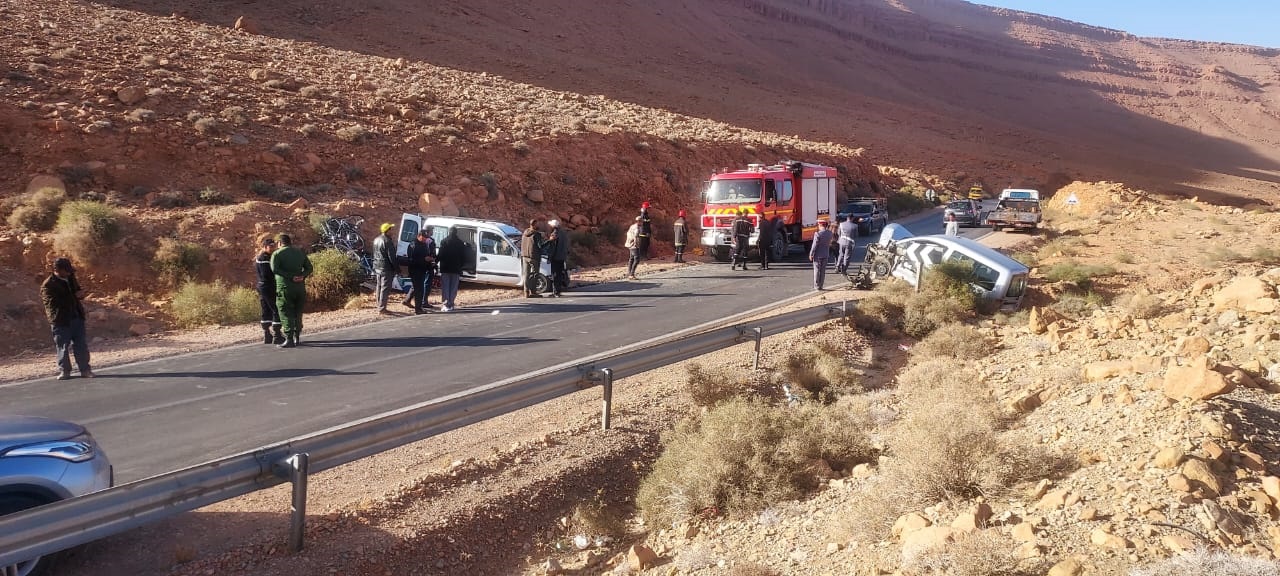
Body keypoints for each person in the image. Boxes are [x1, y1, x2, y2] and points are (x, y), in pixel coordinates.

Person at [40, 258, 93, 380]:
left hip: (76, 317)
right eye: (66, 270)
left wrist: (80, 294)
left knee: (81, 345)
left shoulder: (71, 278)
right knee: (63, 347)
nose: (69, 273)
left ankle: (85, 370)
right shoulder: (48, 285)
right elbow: (53, 303)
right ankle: (65, 371)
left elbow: (77, 292)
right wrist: (74, 296)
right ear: (57, 270)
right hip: (61, 320)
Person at [270, 233, 311, 348]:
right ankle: (297, 337)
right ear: (290, 242)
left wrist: (290, 277)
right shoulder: (299, 252)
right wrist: (302, 276)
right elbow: (309, 268)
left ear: (279, 243)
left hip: (285, 287)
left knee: (286, 312)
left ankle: (289, 339)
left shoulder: (277, 254)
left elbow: (274, 269)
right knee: (298, 313)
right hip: (300, 288)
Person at [254, 237, 285, 344]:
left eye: (274, 246)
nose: (273, 248)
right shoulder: (264, 258)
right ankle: (277, 335)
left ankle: (267, 335)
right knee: (276, 309)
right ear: (264, 247)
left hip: (262, 286)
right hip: (267, 286)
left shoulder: (261, 257)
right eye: (270, 246)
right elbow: (267, 274)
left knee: (266, 309)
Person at [404, 228, 437, 314]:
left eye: (426, 238)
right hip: (415, 270)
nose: (425, 239)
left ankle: (411, 302)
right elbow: (411, 260)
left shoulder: (424, 244)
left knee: (418, 288)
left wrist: (430, 262)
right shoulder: (413, 245)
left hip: (422, 269)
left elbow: (426, 255)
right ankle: (418, 309)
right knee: (419, 289)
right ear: (419, 236)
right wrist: (424, 259)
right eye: (424, 237)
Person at [436, 226, 466, 312]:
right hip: (456, 268)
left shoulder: (444, 241)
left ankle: (446, 304)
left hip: (445, 267)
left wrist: (435, 262)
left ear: (449, 232)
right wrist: (462, 266)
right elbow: (463, 257)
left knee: (445, 287)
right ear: (456, 233)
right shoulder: (460, 243)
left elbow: (440, 254)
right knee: (453, 287)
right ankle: (451, 304)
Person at [371, 222, 399, 313]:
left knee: (379, 286)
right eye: (391, 229)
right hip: (386, 268)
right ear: (387, 231)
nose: (392, 231)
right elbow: (392, 257)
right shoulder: (387, 241)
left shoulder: (376, 240)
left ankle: (379, 305)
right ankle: (382, 308)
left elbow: (374, 254)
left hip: (377, 267)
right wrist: (397, 269)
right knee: (385, 288)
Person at [520, 218, 546, 298]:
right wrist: (549, 241)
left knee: (526, 274)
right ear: (534, 225)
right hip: (534, 257)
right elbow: (540, 246)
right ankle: (533, 292)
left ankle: (526, 292)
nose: (538, 225)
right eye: (537, 224)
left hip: (524, 256)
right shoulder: (536, 234)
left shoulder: (525, 232)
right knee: (535, 274)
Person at [545, 219, 570, 297]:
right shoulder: (563, 233)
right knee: (559, 274)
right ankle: (558, 291)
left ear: (553, 226)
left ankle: (555, 292)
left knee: (555, 275)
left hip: (555, 257)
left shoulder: (554, 234)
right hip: (562, 257)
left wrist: (549, 258)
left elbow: (552, 248)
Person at [810, 220, 833, 291]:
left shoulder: (818, 234)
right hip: (826, 254)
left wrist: (811, 254)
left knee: (817, 270)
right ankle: (821, 285)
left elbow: (814, 245)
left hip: (818, 255)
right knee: (823, 271)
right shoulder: (830, 233)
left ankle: (816, 286)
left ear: (820, 225)